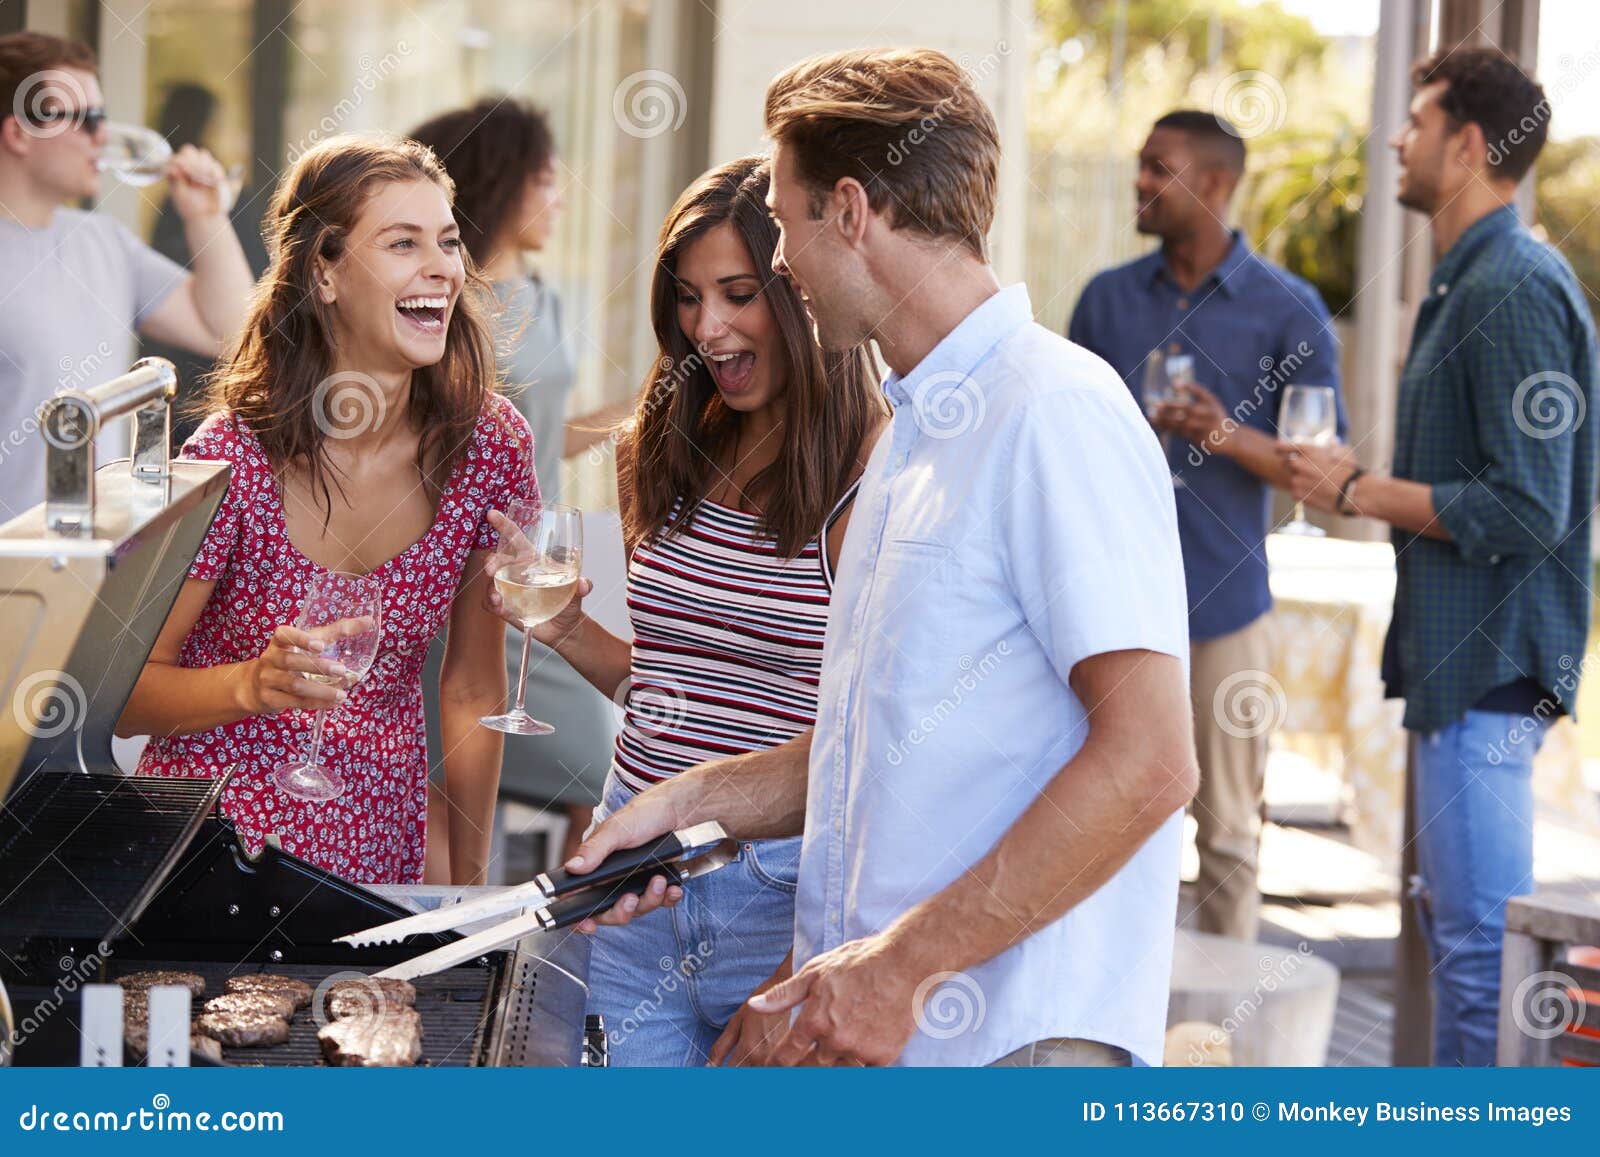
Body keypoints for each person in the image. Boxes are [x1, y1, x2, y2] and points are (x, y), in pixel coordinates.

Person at [566, 49, 1197, 1067]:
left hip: (1009, 1045)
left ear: (849, 210)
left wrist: (898, 970)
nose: (778, 262)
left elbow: (1151, 761)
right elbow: (870, 754)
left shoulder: (1054, 409)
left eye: (783, 220)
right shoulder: (909, 434)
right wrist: (689, 801)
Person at [483, 155, 884, 1065]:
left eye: (739, 293)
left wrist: (800, 964)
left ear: (796, 293)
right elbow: (666, 682)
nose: (710, 327)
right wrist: (562, 630)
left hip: (781, 893)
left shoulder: (873, 472)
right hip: (635, 876)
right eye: (689, 298)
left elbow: (873, 746)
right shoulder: (658, 447)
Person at [1285, 48, 1598, 1066]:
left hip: (1489, 669)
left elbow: (1527, 502)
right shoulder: (1471, 278)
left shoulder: (1508, 284)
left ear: (1468, 143)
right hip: (1462, 667)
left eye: (1414, 121)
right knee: (1463, 944)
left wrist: (1351, 489)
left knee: (1479, 961)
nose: (1394, 137)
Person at [117, 135, 532, 886]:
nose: (442, 266)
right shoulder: (233, 453)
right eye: (403, 243)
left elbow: (472, 684)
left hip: (376, 856)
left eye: (447, 241)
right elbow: (127, 693)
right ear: (326, 272)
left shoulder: (489, 443)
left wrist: (469, 891)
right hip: (206, 854)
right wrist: (251, 684)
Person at [1068, 110, 1344, 942]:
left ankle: (1219, 1052)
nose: (1141, 183)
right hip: (1105, 611)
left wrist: (1223, 432)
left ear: (1217, 183)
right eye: (1141, 165)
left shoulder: (1289, 310)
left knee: (1226, 833)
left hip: (1224, 613)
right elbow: (1064, 443)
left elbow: (1326, 473)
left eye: (1161, 167)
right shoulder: (1106, 301)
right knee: (1097, 826)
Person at [408, 98, 629, 878]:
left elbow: (548, 431)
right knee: (440, 774)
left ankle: (556, 934)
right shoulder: (445, 306)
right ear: (500, 182)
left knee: (593, 764)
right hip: (460, 560)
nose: (559, 196)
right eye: (544, 178)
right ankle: (437, 936)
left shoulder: (548, 295)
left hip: (533, 568)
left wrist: (652, 403)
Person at [0, 32, 252, 514]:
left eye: (103, 117)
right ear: (19, 133)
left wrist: (205, 217)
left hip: (97, 556)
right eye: (86, 119)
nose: (102, 135)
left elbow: (234, 334)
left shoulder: (103, 241)